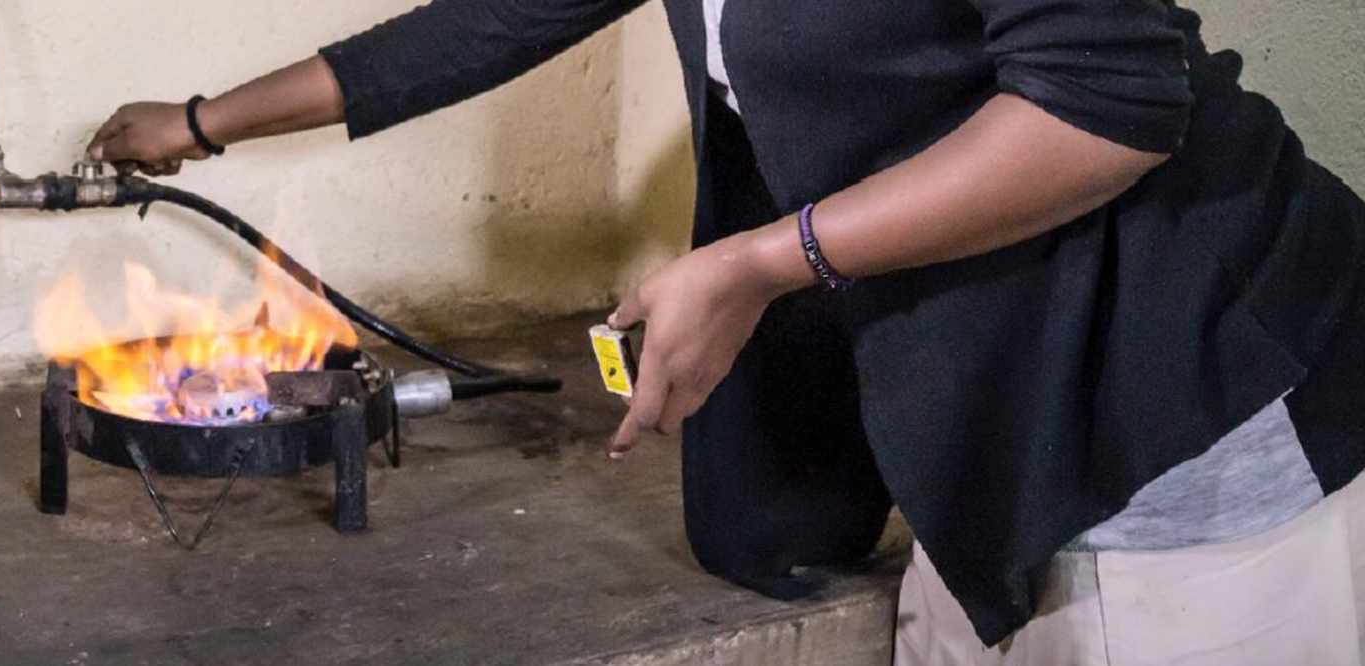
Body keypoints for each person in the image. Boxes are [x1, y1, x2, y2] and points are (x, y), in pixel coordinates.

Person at [88, 0, 1365, 662]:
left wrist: (759, 264)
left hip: (1175, 398)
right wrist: (200, 123)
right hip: (989, 411)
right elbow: (480, 25)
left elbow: (1105, 103)